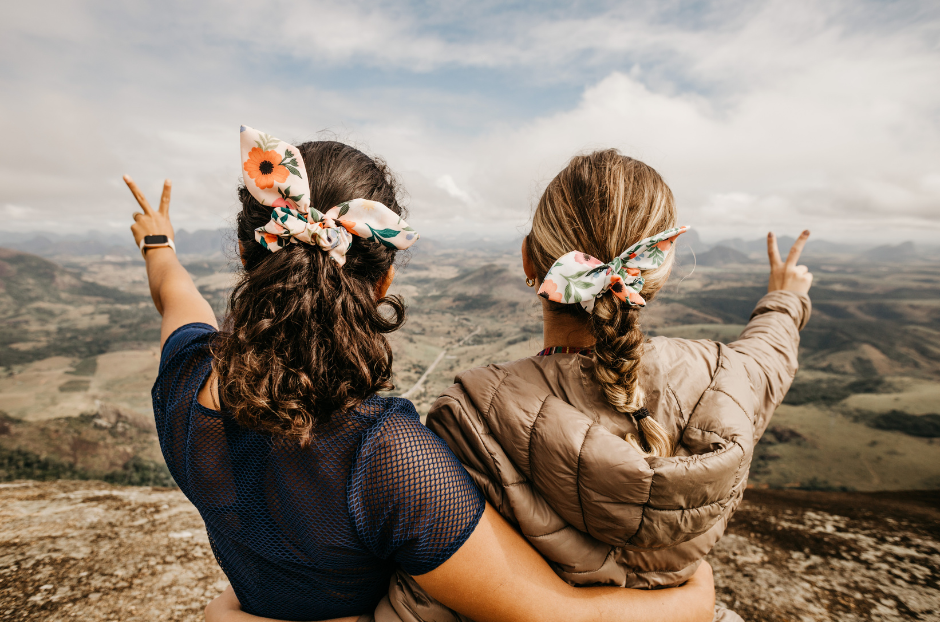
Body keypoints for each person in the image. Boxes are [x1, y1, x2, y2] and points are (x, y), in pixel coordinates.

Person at [125, 128, 716, 622]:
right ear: (383, 282)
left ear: (245, 250)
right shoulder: (386, 458)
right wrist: (695, 601)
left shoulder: (185, 377)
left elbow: (175, 296)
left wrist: (159, 243)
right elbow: (555, 614)